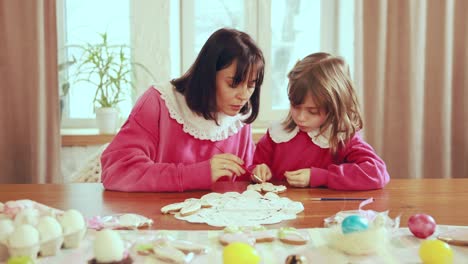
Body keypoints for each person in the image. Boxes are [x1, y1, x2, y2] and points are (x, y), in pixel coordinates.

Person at [101, 28, 265, 192]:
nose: (244, 96)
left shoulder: (239, 118)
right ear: (208, 75)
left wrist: (255, 173)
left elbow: (241, 180)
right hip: (159, 214)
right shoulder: (159, 102)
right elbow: (117, 172)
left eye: (251, 85)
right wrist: (196, 174)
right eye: (233, 84)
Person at [252, 52, 389, 190]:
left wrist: (320, 177)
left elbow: (377, 173)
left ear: (333, 108)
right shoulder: (277, 135)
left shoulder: (341, 138)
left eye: (312, 111)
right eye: (295, 106)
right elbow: (253, 167)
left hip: (323, 210)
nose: (300, 117)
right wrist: (257, 171)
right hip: (276, 208)